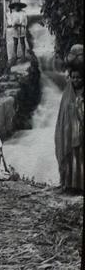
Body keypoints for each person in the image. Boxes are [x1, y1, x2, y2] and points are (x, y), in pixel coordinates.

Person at [54, 44, 84, 193]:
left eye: (79, 78)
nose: (76, 80)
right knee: (72, 158)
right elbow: (63, 116)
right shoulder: (68, 93)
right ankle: (70, 184)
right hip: (70, 132)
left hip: (82, 133)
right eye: (73, 78)